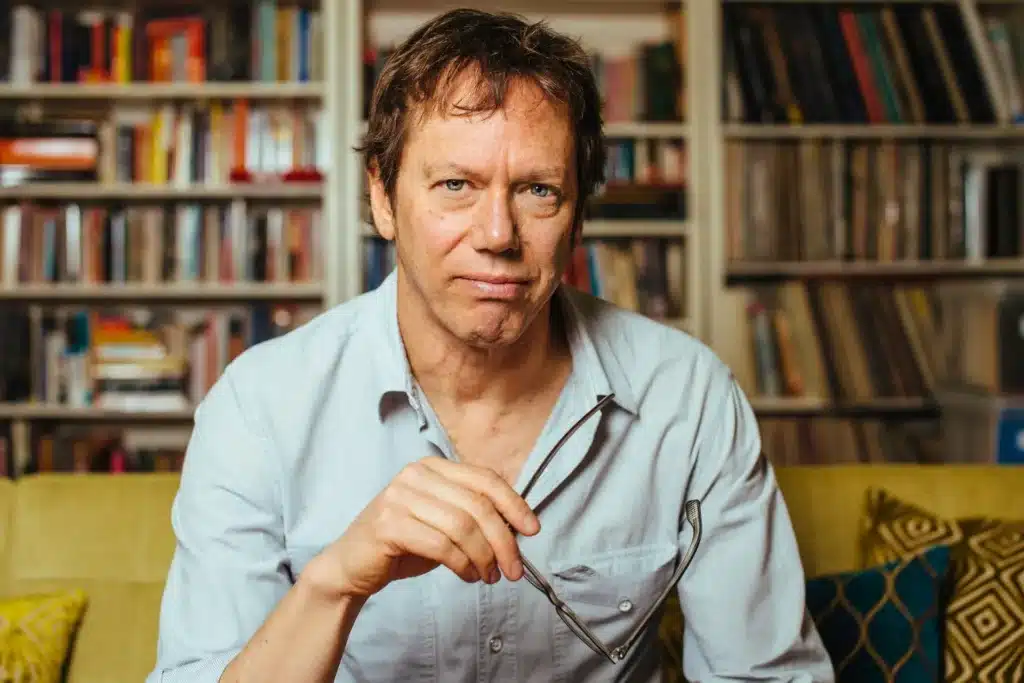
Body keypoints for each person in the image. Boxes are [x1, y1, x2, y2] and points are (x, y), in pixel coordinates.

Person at [146, 8, 834, 683]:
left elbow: (765, 674)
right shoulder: (258, 407)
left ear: (578, 218)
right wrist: (336, 581)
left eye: (538, 190)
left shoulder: (689, 398)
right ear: (382, 198)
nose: (498, 235)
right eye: (455, 185)